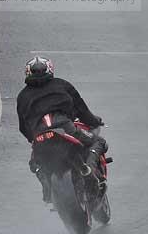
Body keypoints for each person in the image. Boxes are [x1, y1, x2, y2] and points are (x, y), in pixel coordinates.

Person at [17, 57, 108, 203]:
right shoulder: (62, 85)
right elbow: (82, 110)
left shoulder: (22, 96)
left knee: (35, 163)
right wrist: (95, 121)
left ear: (28, 73)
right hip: (65, 128)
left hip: (39, 136)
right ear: (50, 69)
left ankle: (46, 185)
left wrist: (33, 139)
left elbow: (23, 127)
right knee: (98, 141)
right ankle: (88, 170)